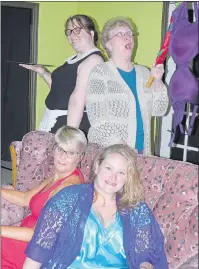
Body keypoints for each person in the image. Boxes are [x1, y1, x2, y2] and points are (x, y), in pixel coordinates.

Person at [22, 144, 168, 269]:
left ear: (128, 177)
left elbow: (147, 254)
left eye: (121, 173)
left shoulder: (136, 209)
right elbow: (40, 248)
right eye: (109, 168)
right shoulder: (68, 198)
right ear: (97, 167)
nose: (113, 177)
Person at [68, 17, 169, 155]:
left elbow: (160, 110)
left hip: (142, 152)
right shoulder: (100, 72)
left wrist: (157, 81)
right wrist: (123, 148)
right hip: (109, 153)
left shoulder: (145, 73)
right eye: (120, 34)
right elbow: (98, 119)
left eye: (129, 33)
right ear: (108, 44)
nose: (127, 37)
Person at [1, 126, 88, 269]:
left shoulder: (67, 188)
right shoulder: (58, 174)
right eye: (60, 149)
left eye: (70, 153)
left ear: (81, 156)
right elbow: (26, 199)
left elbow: (37, 235)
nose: (62, 156)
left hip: (31, 251)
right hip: (22, 236)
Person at [20, 15, 104, 134]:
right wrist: (43, 72)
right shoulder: (75, 59)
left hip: (69, 124)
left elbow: (78, 99)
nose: (72, 35)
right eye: (69, 31)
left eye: (77, 30)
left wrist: (69, 136)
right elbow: (61, 91)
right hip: (54, 121)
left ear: (91, 33)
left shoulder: (94, 60)